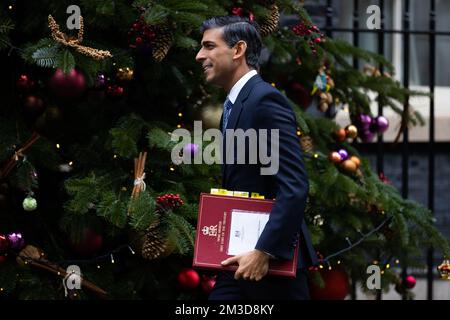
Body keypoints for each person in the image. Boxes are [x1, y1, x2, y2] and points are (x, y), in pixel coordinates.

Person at [195, 16, 318, 300]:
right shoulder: (238, 102)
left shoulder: (264, 101)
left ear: (238, 50)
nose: (199, 55)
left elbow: (294, 185)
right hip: (244, 261)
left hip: (267, 267)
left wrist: (265, 251)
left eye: (209, 46)